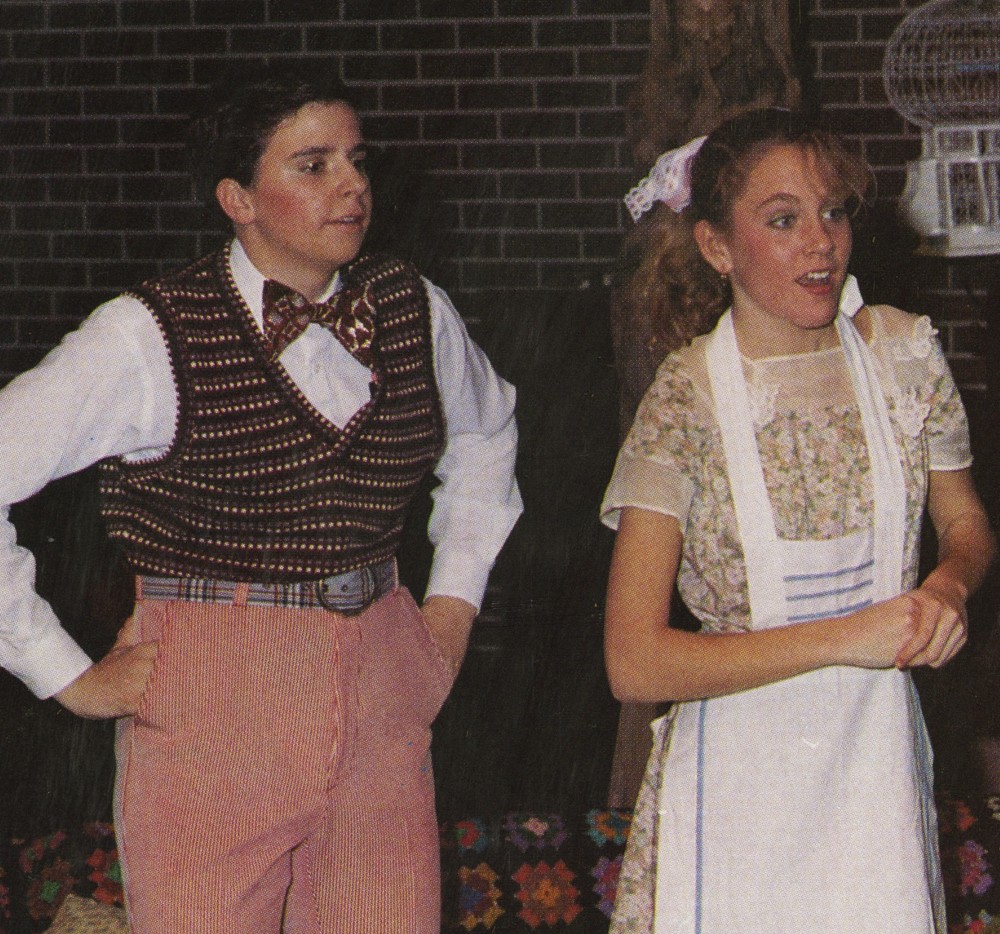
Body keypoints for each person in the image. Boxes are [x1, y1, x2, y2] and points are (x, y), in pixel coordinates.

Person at [0, 65, 522, 933]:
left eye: (356, 159)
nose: (352, 185)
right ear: (237, 199)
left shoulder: (412, 307)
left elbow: (488, 436)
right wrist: (65, 674)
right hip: (214, 695)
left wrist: (453, 605)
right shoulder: (148, 335)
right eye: (313, 165)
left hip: (385, 681)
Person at [600, 107, 995, 933]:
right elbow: (634, 661)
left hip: (876, 775)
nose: (821, 243)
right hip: (738, 797)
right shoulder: (688, 400)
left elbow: (964, 523)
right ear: (717, 247)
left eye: (833, 212)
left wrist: (950, 587)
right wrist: (849, 637)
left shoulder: (901, 356)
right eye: (783, 220)